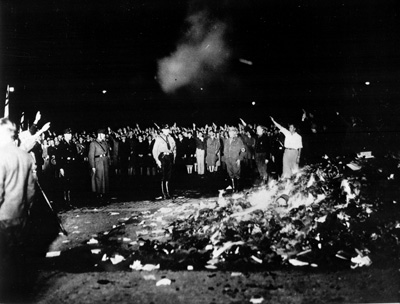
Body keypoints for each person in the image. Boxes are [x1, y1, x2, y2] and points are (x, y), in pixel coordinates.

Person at [0, 118, 36, 300]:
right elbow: (31, 191)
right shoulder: (25, 156)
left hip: (3, 216)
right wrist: (26, 209)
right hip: (21, 214)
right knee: (18, 255)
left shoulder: (1, 156)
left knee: (4, 257)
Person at [152, 124, 176, 199]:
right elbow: (154, 150)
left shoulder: (171, 138)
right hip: (162, 157)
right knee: (163, 176)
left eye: (168, 129)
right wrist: (157, 160)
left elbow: (174, 148)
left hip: (169, 157)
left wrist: (174, 158)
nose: (167, 131)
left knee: (169, 176)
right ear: (162, 130)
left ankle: (168, 192)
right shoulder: (159, 139)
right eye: (165, 129)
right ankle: (163, 193)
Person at [57, 128, 79, 205]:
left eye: (70, 134)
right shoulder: (61, 145)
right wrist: (61, 168)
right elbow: (58, 158)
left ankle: (71, 199)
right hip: (65, 166)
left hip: (72, 165)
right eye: (69, 134)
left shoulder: (72, 144)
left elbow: (75, 155)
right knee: (65, 183)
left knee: (71, 182)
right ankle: (66, 200)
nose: (70, 135)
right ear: (65, 135)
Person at [88, 128, 110, 201]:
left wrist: (108, 161)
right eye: (103, 134)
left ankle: (104, 194)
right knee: (99, 179)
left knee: (105, 179)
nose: (104, 136)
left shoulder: (105, 143)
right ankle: (99, 195)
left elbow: (108, 153)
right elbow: (91, 156)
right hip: (98, 162)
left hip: (105, 162)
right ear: (99, 135)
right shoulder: (93, 143)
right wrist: (93, 166)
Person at [223, 126, 246, 192]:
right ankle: (233, 187)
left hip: (235, 160)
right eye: (229, 131)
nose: (230, 133)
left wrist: (239, 159)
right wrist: (226, 158)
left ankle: (237, 188)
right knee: (230, 173)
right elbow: (225, 150)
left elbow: (243, 151)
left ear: (235, 133)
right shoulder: (226, 140)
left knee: (237, 173)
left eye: (231, 131)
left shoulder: (239, 140)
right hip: (228, 159)